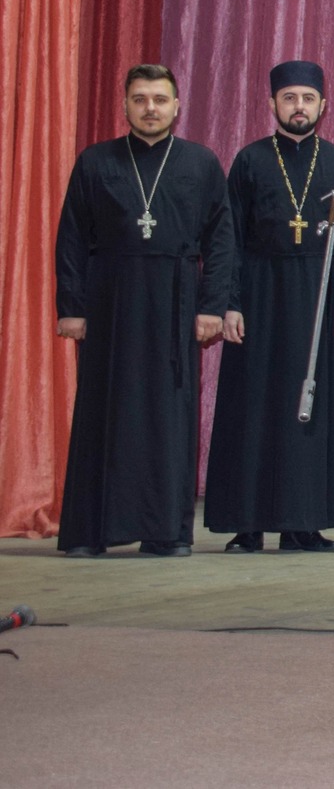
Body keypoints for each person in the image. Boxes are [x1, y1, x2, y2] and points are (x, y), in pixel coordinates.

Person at [54, 65, 234, 558]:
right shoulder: (96, 161)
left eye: (159, 99)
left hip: (175, 299)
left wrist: (212, 306)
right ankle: (91, 531)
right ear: (126, 106)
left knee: (167, 416)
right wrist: (72, 307)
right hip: (109, 298)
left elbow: (221, 241)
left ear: (177, 106)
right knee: (103, 411)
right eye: (140, 99)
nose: (150, 108)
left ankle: (166, 532)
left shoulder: (200, 163)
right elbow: (72, 239)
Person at [205, 60, 334, 555]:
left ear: (324, 105)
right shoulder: (249, 161)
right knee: (253, 407)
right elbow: (228, 238)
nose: (299, 107)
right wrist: (229, 302)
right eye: (290, 98)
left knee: (310, 410)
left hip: (318, 295)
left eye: (308, 99)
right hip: (259, 294)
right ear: (272, 103)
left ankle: (304, 524)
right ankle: (248, 524)